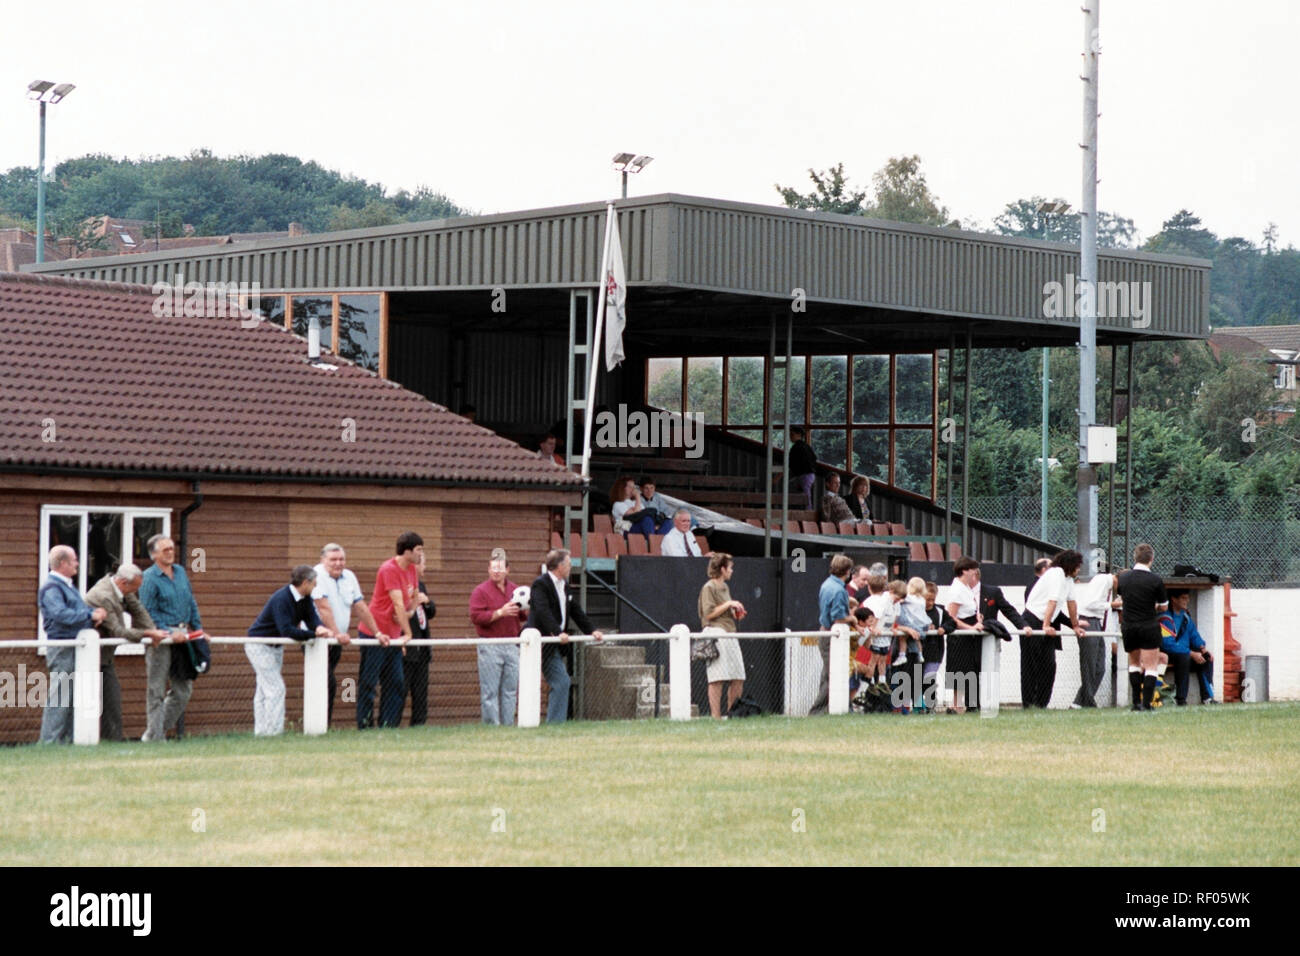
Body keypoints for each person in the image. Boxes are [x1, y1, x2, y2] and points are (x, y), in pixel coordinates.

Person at [85, 563, 170, 742]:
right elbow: (119, 631)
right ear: (124, 582)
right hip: (89, 657)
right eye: (134, 588)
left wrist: (153, 631)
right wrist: (148, 633)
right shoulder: (105, 596)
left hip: (104, 657)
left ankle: (112, 741)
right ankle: (86, 740)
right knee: (90, 702)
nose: (135, 592)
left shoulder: (122, 589)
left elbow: (138, 610)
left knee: (112, 700)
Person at [246, 566, 333, 736]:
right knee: (276, 689)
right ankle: (273, 733)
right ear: (305, 583)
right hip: (259, 645)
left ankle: (262, 733)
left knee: (264, 690)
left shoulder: (306, 598)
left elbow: (312, 618)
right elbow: (286, 629)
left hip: (276, 647)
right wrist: (313, 635)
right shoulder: (282, 598)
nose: (315, 586)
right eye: (314, 583)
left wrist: (320, 628)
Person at [138, 535, 208, 742]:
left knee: (183, 689)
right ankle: (156, 737)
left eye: (171, 548)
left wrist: (199, 629)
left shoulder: (180, 572)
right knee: (156, 689)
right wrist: (168, 631)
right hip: (161, 639)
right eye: (165, 549)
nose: (170, 552)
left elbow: (190, 602)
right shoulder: (149, 578)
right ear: (154, 555)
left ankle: (153, 734)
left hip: (184, 637)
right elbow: (147, 612)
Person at [37, 546, 108, 744]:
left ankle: (67, 740)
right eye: (74, 560)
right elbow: (60, 615)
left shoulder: (68, 586)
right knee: (60, 695)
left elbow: (76, 612)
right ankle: (49, 741)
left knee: (73, 695)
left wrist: (93, 615)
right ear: (63, 564)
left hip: (75, 644)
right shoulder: (52, 588)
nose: (77, 564)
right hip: (62, 646)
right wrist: (89, 615)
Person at [526, 549, 604, 723]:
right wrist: (557, 631)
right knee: (529, 684)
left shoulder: (565, 585)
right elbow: (542, 611)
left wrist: (592, 630)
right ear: (559, 566)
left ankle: (555, 724)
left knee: (561, 682)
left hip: (553, 646)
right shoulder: (541, 584)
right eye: (568, 564)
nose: (571, 567)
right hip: (540, 643)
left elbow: (576, 611)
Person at [356, 532, 423, 729]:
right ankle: (365, 725)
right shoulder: (389, 569)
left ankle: (388, 725)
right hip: (374, 632)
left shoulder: (412, 570)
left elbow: (413, 601)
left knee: (396, 681)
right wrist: (408, 633)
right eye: (418, 550)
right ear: (407, 551)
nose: (421, 554)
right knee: (369, 682)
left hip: (393, 636)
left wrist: (408, 615)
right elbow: (398, 603)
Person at [311, 543, 382, 724]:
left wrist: (377, 632)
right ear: (323, 560)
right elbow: (323, 608)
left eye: (341, 559)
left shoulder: (349, 576)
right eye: (333, 560)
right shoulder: (316, 575)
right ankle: (317, 724)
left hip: (337, 640)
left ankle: (323, 724)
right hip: (317, 639)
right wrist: (336, 633)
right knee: (325, 681)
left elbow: (360, 606)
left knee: (329, 681)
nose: (338, 563)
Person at [1020, 550, 1087, 708]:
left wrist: (1075, 625)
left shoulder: (1068, 579)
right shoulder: (1056, 573)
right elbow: (1052, 601)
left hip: (1045, 620)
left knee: (1049, 666)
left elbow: (1071, 603)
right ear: (1070, 564)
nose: (1079, 570)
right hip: (1033, 619)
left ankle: (1042, 704)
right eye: (1077, 566)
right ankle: (1028, 704)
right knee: (1030, 665)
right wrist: (1045, 625)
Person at [469, 549, 528, 725]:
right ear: (488, 569)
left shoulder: (516, 590)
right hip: (490, 645)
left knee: (510, 690)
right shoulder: (480, 591)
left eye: (500, 568)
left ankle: (508, 725)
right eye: (493, 567)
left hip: (512, 645)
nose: (496, 571)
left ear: (507, 570)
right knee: (490, 691)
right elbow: (476, 617)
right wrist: (500, 612)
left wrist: (527, 608)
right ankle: (492, 727)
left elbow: (522, 617)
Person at [1116, 543, 1169, 711]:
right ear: (1151, 559)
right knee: (1151, 665)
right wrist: (1152, 606)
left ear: (1135, 558)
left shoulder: (1123, 578)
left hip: (1129, 626)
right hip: (1148, 625)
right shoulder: (1155, 580)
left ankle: (1135, 703)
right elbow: (1164, 606)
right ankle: (1146, 704)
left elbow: (1123, 598)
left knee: (1134, 663)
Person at [697, 552, 747, 719]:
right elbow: (709, 614)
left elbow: (724, 610)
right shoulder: (708, 588)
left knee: (738, 675)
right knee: (717, 677)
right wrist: (729, 604)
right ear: (723, 569)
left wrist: (735, 612)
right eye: (730, 568)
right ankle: (715, 717)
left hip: (730, 633)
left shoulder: (725, 587)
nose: (732, 571)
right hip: (716, 633)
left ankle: (733, 714)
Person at [809, 554, 855, 714]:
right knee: (833, 675)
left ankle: (824, 710)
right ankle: (818, 712)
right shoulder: (839, 590)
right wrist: (853, 618)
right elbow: (839, 617)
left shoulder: (826, 584)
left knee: (827, 674)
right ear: (847, 571)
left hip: (825, 633)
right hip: (832, 636)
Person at [1074, 565, 1120, 708]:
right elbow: (1091, 603)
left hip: (1097, 623)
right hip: (1089, 620)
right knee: (1089, 665)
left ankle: (1078, 703)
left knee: (1100, 667)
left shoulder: (1108, 584)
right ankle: (1088, 702)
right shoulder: (1102, 581)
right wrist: (1111, 604)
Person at [1160, 589, 1216, 705]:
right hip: (1170, 654)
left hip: (1186, 653)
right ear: (1174, 599)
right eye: (1183, 598)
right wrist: (1191, 653)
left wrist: (1202, 648)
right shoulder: (1165, 618)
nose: (1187, 601)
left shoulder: (1186, 617)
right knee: (1184, 657)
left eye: (1187, 598)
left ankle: (1208, 697)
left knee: (1206, 658)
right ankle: (1181, 699)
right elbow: (1167, 644)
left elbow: (1194, 635)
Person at [403, 550, 436, 726]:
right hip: (407, 648)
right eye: (423, 564)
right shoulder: (403, 584)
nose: (425, 567)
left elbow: (431, 613)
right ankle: (392, 724)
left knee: (421, 691)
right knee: (401, 689)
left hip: (422, 649)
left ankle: (419, 724)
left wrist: (426, 601)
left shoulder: (421, 586)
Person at [788, 427, 817, 510]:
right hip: (809, 475)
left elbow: (790, 464)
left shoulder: (796, 447)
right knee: (802, 493)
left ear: (799, 435)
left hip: (805, 475)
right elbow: (814, 458)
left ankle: (807, 514)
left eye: (792, 434)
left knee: (806, 497)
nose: (790, 436)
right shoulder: (806, 446)